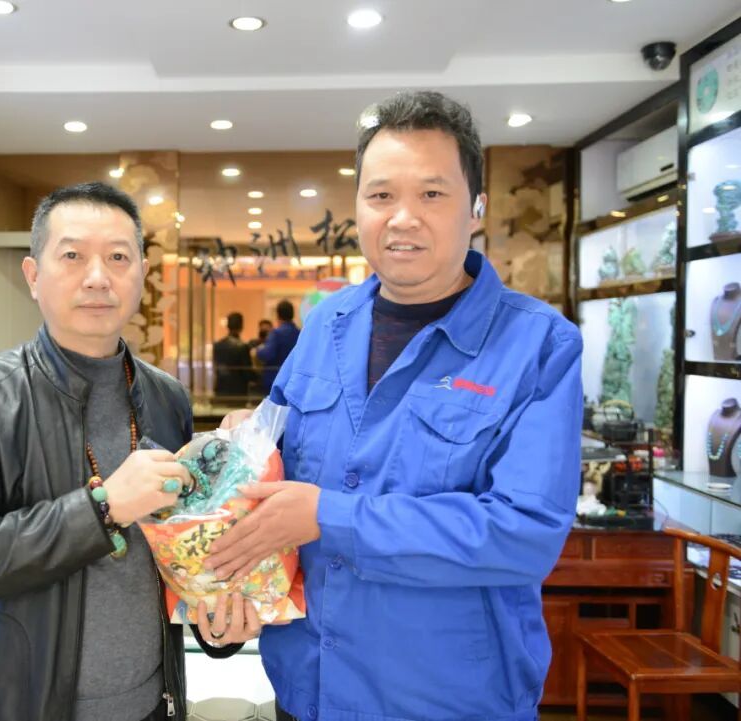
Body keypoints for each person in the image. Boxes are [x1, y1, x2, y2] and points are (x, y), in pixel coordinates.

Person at [206, 91, 582, 721]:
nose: (403, 217)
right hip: (306, 693)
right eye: (381, 195)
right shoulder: (325, 325)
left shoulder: (539, 345)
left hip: (448, 703)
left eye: (432, 193)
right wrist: (243, 450)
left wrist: (330, 515)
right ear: (359, 208)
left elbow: (524, 533)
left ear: (476, 209)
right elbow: (271, 477)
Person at [0, 182, 256, 721]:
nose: (98, 277)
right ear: (34, 275)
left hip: (152, 704)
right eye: (73, 256)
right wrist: (103, 509)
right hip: (22, 708)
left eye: (118, 257)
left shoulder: (166, 398)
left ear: (142, 274)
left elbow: (178, 545)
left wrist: (214, 621)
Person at [255, 300, 300, 394]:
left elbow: (267, 354)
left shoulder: (276, 333)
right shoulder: (299, 333)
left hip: (275, 378)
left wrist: (258, 350)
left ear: (278, 315)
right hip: (294, 379)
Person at [213, 312, 256, 398]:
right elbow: (247, 372)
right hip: (238, 391)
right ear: (241, 326)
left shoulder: (217, 345)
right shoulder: (243, 347)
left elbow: (217, 368)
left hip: (221, 389)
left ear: (228, 326)